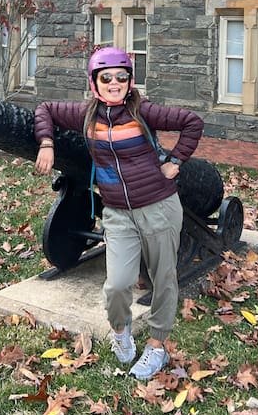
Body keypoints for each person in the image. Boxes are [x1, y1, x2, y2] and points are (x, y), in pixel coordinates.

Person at [34, 47, 204, 380]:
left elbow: (192, 123)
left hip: (158, 207)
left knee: (163, 279)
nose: (115, 83)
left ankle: (156, 346)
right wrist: (46, 143)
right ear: (94, 82)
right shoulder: (86, 115)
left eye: (121, 77)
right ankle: (121, 331)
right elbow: (45, 109)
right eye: (106, 77)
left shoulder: (144, 112)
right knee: (117, 285)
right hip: (117, 213)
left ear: (130, 80)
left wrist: (175, 162)